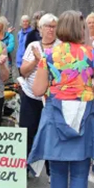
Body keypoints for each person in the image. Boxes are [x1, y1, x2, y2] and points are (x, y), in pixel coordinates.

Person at [29, 11, 94, 188]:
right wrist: (84, 89)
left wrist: (60, 88)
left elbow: (37, 90)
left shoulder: (49, 54)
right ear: (81, 29)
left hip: (56, 117)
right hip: (83, 117)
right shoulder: (90, 53)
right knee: (80, 178)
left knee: (58, 177)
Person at [19, 13, 59, 177]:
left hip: (52, 98)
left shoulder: (61, 47)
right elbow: (23, 71)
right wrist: (36, 60)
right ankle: (25, 168)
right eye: (47, 26)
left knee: (51, 134)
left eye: (53, 26)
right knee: (27, 131)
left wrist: (43, 60)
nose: (50, 29)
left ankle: (52, 171)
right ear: (40, 29)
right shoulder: (33, 46)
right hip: (31, 96)